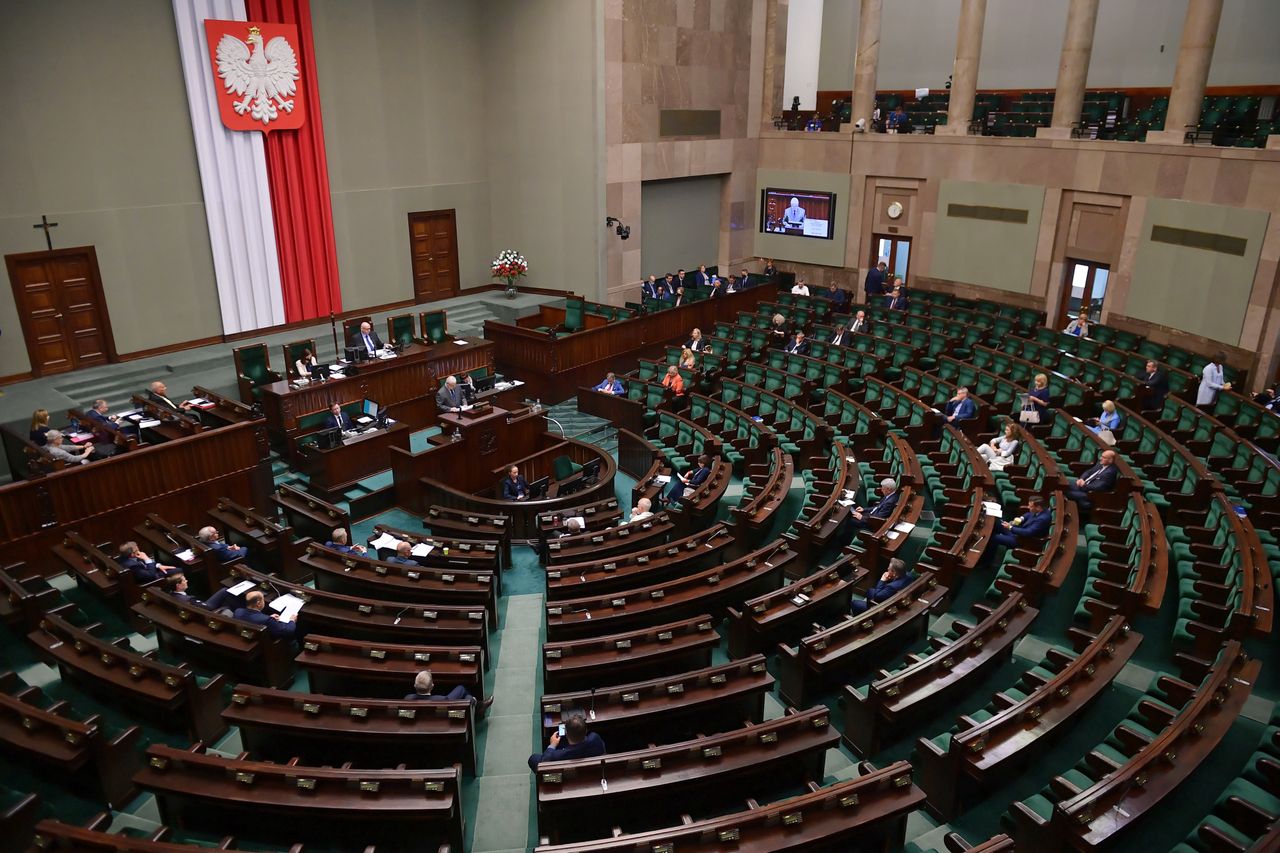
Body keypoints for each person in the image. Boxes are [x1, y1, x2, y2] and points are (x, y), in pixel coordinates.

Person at [528, 712, 606, 770]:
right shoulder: (595, 738)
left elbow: (544, 761)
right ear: (586, 730)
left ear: (566, 733)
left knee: (533, 758)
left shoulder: (557, 755)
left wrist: (552, 745)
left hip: (566, 776)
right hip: (592, 769)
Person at [406, 670, 493, 718]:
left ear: (415, 685)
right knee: (466, 694)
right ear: (432, 686)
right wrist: (473, 700)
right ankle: (479, 706)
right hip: (443, 720)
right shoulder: (441, 700)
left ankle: (479, 706)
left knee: (466, 695)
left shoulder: (407, 698)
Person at [988, 496, 1052, 555]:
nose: (1028, 507)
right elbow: (1029, 514)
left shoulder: (1042, 519)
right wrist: (1021, 518)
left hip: (1023, 541)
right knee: (998, 523)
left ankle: (986, 562)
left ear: (1038, 507)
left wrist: (1010, 527)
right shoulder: (1041, 510)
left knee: (994, 537)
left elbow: (1028, 532)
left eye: (1030, 506)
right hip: (1018, 534)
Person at [165, 572, 237, 611]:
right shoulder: (189, 600)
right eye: (184, 580)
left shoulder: (171, 594)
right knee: (224, 591)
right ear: (178, 585)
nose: (187, 581)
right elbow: (207, 608)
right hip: (207, 609)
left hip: (199, 607)